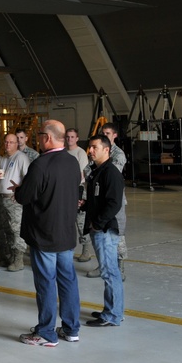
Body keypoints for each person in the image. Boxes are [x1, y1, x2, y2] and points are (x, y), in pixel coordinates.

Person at [15, 120, 82, 347]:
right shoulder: (72, 162)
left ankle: (46, 333)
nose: (38, 138)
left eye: (40, 134)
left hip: (44, 234)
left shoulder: (40, 165)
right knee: (68, 281)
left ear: (48, 138)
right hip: (65, 232)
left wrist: (19, 189)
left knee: (46, 283)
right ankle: (71, 329)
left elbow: (25, 197)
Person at [83, 134, 124, 328]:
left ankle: (113, 315)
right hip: (99, 228)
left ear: (106, 150)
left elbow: (114, 203)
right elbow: (98, 200)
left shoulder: (111, 172)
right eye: (89, 147)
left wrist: (98, 223)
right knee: (108, 272)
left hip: (105, 231)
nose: (90, 151)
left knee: (110, 273)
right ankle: (112, 309)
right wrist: (84, 205)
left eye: (94, 147)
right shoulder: (96, 171)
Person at [87, 122, 129, 280]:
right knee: (100, 241)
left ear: (115, 135)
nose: (105, 135)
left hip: (114, 200)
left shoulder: (117, 154)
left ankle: (119, 267)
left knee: (117, 236)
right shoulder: (97, 152)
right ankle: (103, 264)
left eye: (108, 133)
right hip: (99, 199)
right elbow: (88, 170)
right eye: (103, 133)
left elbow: (110, 174)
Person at [0, 134, 30, 272]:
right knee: (7, 229)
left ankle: (19, 259)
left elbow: (28, 179)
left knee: (16, 229)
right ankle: (12, 255)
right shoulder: (2, 159)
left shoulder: (21, 158)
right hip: (3, 199)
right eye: (5, 142)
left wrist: (20, 193)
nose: (7, 145)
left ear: (17, 143)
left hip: (13, 199)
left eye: (11, 142)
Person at [65, 128, 93, 263]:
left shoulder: (80, 153)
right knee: (66, 221)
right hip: (65, 190)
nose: (69, 139)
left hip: (78, 189)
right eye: (67, 137)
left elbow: (83, 173)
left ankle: (86, 249)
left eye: (72, 137)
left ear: (76, 138)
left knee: (80, 221)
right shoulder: (64, 152)